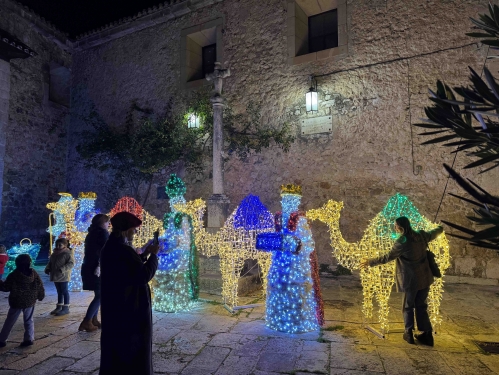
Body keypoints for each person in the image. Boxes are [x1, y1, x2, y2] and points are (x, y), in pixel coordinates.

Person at [360, 216, 443, 346]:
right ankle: (427, 334)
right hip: (425, 277)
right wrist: (440, 227)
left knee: (408, 306)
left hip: (411, 280)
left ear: (401, 227)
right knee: (421, 305)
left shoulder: (402, 241)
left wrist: (370, 262)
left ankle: (408, 333)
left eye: (396, 226)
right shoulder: (421, 235)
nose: (395, 227)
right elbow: (435, 233)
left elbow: (388, 257)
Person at [100, 211, 159, 375]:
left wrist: (145, 254)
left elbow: (128, 271)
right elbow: (142, 275)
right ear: (126, 229)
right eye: (134, 229)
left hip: (116, 308)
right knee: (131, 350)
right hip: (129, 309)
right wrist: (153, 256)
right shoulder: (123, 250)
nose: (135, 232)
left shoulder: (112, 247)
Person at [0, 254, 45, 347]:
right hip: (30, 300)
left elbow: (6, 287)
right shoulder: (34, 273)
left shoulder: (14, 275)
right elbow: (39, 285)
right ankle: (29, 338)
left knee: (10, 321)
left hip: (17, 301)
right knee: (29, 320)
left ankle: (2, 339)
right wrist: (40, 295)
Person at [79, 214, 110, 332]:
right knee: (100, 295)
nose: (108, 225)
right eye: (107, 222)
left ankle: (93, 320)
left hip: (89, 266)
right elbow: (104, 250)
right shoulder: (102, 233)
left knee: (98, 293)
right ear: (102, 223)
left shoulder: (92, 233)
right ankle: (87, 321)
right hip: (97, 268)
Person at [45, 238, 74, 316]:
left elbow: (71, 263)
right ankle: (59, 306)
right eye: (57, 245)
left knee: (64, 291)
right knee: (59, 291)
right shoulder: (54, 253)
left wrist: (63, 269)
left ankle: (66, 307)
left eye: (60, 245)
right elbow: (50, 262)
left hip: (63, 275)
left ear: (65, 245)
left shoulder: (67, 253)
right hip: (55, 275)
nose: (58, 246)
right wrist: (47, 268)